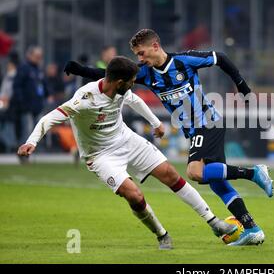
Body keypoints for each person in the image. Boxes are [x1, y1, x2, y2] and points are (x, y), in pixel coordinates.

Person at [63, 29, 273, 246]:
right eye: (137, 55)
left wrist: (242, 86)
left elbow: (221, 58)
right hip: (194, 131)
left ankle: (254, 173)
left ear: (155, 46)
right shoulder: (145, 73)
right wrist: (80, 70)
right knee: (217, 184)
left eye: (142, 53)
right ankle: (252, 229)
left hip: (208, 123)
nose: (140, 59)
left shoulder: (184, 61)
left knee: (195, 172)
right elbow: (110, 75)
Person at [18, 56, 236, 250]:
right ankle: (162, 235)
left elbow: (135, 100)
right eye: (131, 81)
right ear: (120, 82)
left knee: (170, 174)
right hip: (99, 155)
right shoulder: (85, 99)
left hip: (126, 140)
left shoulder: (122, 90)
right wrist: (31, 142)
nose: (134, 83)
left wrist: (155, 123)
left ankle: (213, 222)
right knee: (134, 195)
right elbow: (49, 119)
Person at [10, 46, 46, 147]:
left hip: (38, 106)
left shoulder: (38, 69)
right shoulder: (24, 68)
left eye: (40, 56)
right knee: (27, 130)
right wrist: (22, 101)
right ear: (29, 56)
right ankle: (23, 152)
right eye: (37, 56)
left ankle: (35, 151)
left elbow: (43, 85)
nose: (39, 58)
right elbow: (17, 86)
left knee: (38, 131)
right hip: (27, 106)